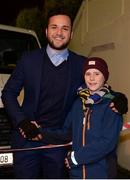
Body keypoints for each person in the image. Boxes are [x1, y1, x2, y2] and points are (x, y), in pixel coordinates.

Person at [1, 8, 128, 179]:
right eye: (54, 27)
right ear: (46, 31)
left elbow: (96, 86)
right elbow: (8, 93)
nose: (59, 33)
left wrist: (118, 98)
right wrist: (22, 122)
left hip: (58, 144)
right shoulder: (28, 60)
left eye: (65, 28)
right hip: (27, 141)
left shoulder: (80, 64)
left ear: (71, 33)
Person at [41, 57, 124, 179]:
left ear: (104, 76)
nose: (91, 78)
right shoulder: (78, 103)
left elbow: (107, 143)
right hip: (77, 174)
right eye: (88, 73)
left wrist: (75, 158)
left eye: (97, 73)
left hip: (101, 173)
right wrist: (40, 133)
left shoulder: (112, 104)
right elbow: (66, 133)